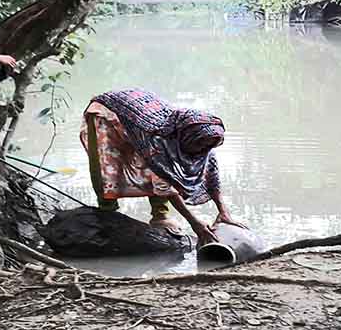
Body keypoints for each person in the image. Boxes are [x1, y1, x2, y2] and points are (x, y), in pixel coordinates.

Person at [80, 88, 244, 245]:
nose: (202, 150)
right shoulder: (158, 140)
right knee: (108, 166)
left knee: (156, 166)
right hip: (107, 113)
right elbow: (164, 182)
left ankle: (160, 215)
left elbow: (212, 176)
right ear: (187, 138)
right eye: (200, 145)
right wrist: (194, 222)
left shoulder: (203, 137)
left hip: (141, 112)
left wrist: (223, 211)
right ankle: (108, 211)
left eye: (207, 147)